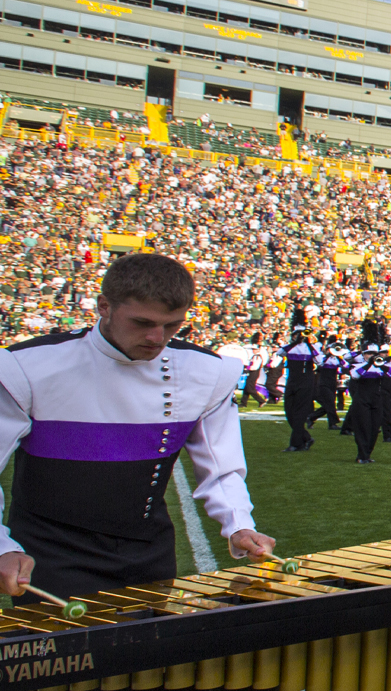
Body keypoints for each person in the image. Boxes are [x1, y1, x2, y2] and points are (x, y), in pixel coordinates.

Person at [0, 253, 277, 601]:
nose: (157, 337)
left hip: (148, 552)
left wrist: (239, 524)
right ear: (104, 306)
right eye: (142, 322)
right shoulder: (26, 367)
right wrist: (2, 548)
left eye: (173, 325)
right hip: (49, 553)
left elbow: (221, 469)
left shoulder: (207, 373)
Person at [344, 320, 391, 465]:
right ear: (364, 354)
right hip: (361, 399)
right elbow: (355, 376)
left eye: (374, 354)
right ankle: (361, 454)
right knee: (363, 427)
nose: (372, 356)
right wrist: (368, 364)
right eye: (369, 354)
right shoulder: (358, 365)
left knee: (374, 429)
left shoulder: (381, 367)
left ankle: (367, 454)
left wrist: (381, 364)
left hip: (376, 399)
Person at [280, 310, 320, 452]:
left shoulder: (310, 348)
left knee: (299, 413)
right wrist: (295, 342)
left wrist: (309, 343)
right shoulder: (290, 347)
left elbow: (319, 361)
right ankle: (306, 438)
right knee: (289, 412)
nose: (299, 337)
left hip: (306, 382)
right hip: (292, 381)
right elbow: (280, 353)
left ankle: (295, 443)